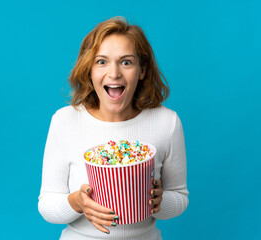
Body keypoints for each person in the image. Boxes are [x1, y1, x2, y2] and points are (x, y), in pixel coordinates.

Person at [38, 16, 189, 240]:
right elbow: (47, 206)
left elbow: (180, 198)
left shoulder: (167, 122)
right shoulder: (64, 121)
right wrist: (78, 202)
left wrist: (160, 202)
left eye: (126, 62)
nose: (114, 73)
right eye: (101, 61)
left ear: (142, 70)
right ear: (89, 69)